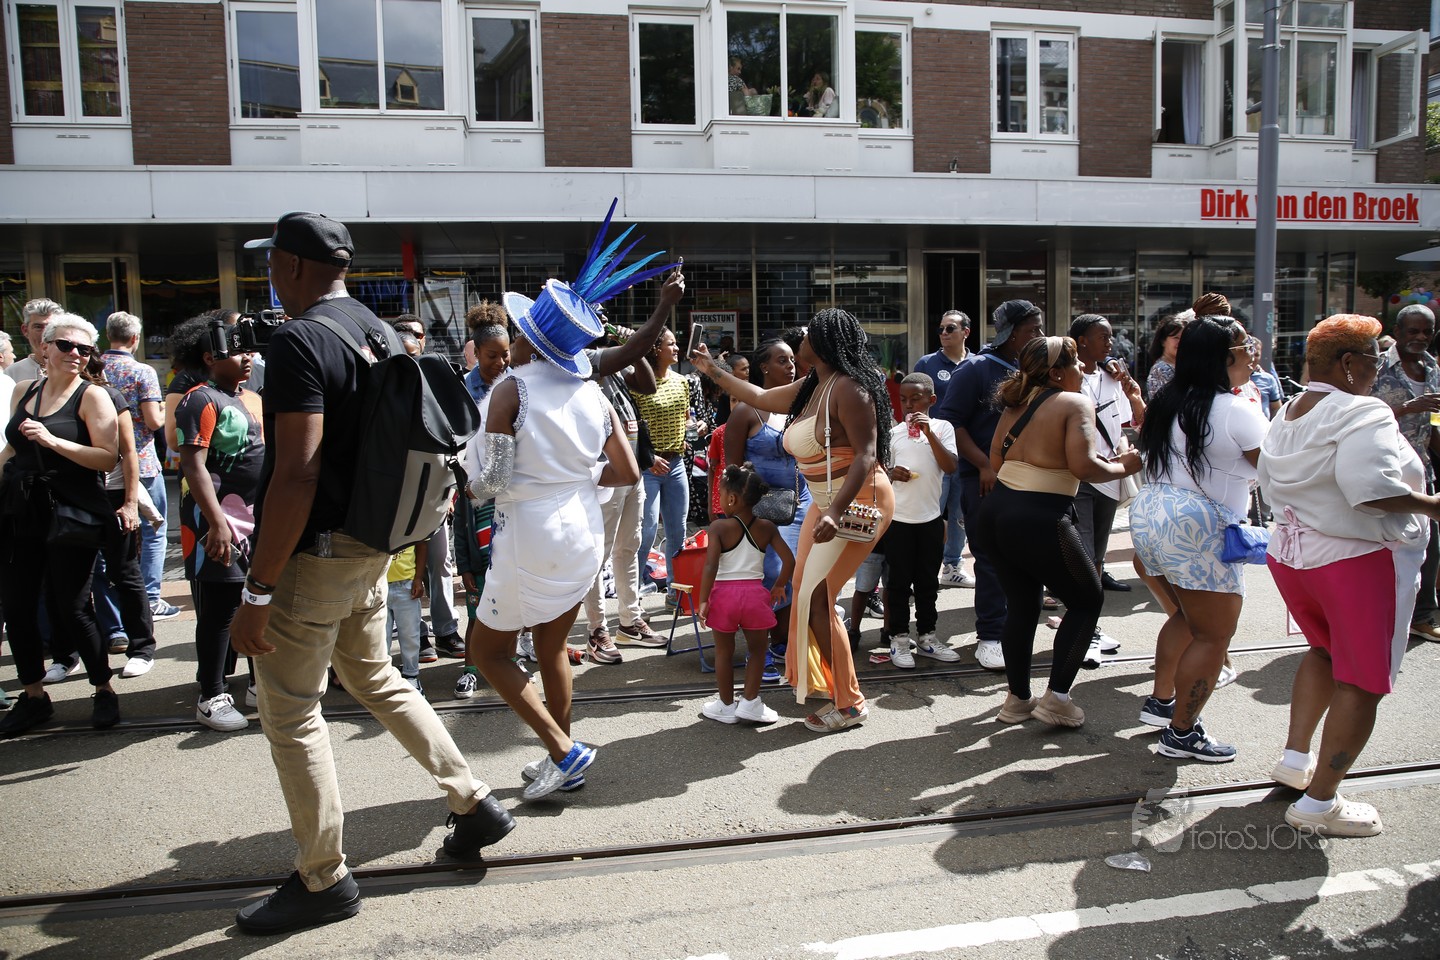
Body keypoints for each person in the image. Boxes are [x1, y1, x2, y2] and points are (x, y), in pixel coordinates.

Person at [230, 212, 513, 935]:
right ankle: (473, 800)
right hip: (373, 545)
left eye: (272, 262)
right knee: (376, 676)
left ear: (293, 266)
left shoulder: (299, 340)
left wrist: (257, 590)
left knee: (292, 712)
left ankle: (322, 878)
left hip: (316, 555)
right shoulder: (378, 330)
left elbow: (297, 472)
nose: (270, 274)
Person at [1259, 314, 1438, 837]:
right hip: (1355, 562)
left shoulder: (1291, 409)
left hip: (1296, 555)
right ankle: (1318, 804)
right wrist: (1432, 505)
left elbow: (1268, 482)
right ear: (1349, 363)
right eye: (1375, 359)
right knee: (1362, 682)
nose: (1379, 367)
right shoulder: (1364, 410)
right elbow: (1370, 490)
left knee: (1324, 652)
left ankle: (1296, 761)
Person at [466, 278, 640, 799]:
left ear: (529, 341)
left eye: (518, 335)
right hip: (582, 529)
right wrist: (576, 479)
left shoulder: (512, 389)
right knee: (552, 646)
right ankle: (562, 762)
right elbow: (627, 471)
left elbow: (493, 480)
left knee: (487, 652)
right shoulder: (593, 395)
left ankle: (563, 751)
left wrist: (464, 479)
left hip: (530, 534)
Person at [693, 308, 894, 733]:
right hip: (823, 502)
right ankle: (827, 682)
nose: (799, 339)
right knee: (804, 594)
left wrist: (834, 511)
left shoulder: (850, 388)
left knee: (818, 596)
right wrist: (712, 369)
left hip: (853, 502)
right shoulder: (813, 385)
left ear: (821, 343)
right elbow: (759, 396)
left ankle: (850, 703)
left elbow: (866, 455)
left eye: (807, 334)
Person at [971, 337, 1142, 728]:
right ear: (1056, 372)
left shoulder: (1015, 405)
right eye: (1076, 362)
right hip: (1039, 515)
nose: (1082, 369)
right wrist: (1126, 466)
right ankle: (1057, 699)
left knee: (1023, 606)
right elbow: (1084, 467)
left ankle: (1017, 700)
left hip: (997, 512)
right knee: (1087, 600)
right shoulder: (1074, 402)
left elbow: (997, 460)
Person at [1130, 315, 1269, 763]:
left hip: (1153, 517)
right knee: (1214, 635)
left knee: (1188, 618)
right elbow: (1278, 471)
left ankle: (1161, 702)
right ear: (1224, 357)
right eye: (1246, 348)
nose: (1254, 355)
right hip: (1198, 527)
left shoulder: (1169, 400)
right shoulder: (1235, 410)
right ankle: (1182, 733)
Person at [0, 315, 121, 735]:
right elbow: (13, 449)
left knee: (71, 606)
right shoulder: (24, 390)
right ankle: (34, 696)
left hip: (70, 511)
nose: (76, 355)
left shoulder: (92, 396)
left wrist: (53, 441)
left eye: (85, 349)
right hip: (21, 511)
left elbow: (107, 457)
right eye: (67, 345)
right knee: (17, 606)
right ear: (45, 347)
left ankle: (103, 688)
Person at [934, 299, 1045, 671]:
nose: (1039, 335)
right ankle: (991, 636)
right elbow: (952, 423)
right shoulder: (976, 369)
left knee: (1024, 558)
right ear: (1012, 334)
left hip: (1027, 479)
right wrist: (983, 465)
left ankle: (1015, 630)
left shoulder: (1031, 369)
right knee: (991, 558)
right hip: (983, 480)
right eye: (1032, 330)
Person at [170, 315, 264, 731]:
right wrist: (217, 523)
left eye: (250, 349)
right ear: (210, 357)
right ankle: (211, 695)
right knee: (220, 611)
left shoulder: (248, 397)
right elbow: (193, 463)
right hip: (217, 522)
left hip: (253, 520)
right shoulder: (200, 399)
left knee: (256, 603)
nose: (248, 357)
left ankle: (258, 684)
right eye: (239, 350)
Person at [724, 338, 809, 655]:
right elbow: (731, 472)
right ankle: (762, 645)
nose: (790, 367)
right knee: (772, 574)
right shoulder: (746, 411)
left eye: (792, 360)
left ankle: (783, 642)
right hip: (762, 508)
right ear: (764, 367)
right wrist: (735, 516)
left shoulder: (801, 408)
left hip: (803, 502)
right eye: (782, 361)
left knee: (799, 573)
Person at [1070, 314, 1146, 662]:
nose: (1110, 342)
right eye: (1103, 336)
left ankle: (1090, 626)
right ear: (1082, 341)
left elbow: (1129, 423)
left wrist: (1132, 392)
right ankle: (1082, 632)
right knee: (1084, 555)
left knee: (1097, 556)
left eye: (1111, 336)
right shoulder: (1069, 378)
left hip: (1111, 475)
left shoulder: (1113, 377)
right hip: (1081, 476)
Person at [696, 462, 794, 725]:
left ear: (731, 498)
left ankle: (726, 706)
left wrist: (703, 599)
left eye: (720, 494)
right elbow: (789, 560)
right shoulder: (767, 527)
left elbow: (710, 566)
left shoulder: (718, 528)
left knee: (724, 652)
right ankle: (750, 702)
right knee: (758, 651)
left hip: (724, 597)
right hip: (755, 597)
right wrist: (779, 585)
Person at [1368, 303, 1440, 644]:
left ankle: (1423, 615)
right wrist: (1406, 407)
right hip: (1381, 470)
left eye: (1427, 331)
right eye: (1413, 331)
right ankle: (1376, 617)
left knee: (1430, 546)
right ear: (1396, 333)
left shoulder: (1433, 368)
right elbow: (1359, 414)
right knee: (1382, 548)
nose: (1420, 337)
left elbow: (1434, 426)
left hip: (1422, 468)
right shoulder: (1376, 366)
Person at [394, 314, 464, 661]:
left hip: (434, 495)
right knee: (405, 571)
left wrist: (449, 492)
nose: (416, 347)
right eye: (407, 343)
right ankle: (417, 635)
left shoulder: (437, 386)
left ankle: (446, 631)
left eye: (419, 338)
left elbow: (452, 444)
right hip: (397, 499)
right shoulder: (387, 389)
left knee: (439, 563)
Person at [101, 312, 176, 623]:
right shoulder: (141, 371)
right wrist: (164, 407)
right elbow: (153, 421)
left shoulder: (94, 367)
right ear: (135, 339)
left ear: (108, 335)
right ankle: (151, 598)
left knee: (109, 537)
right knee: (154, 530)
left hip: (104, 462)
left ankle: (113, 605)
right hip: (142, 462)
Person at [881, 373, 961, 667]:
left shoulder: (942, 428)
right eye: (904, 399)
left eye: (915, 399)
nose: (909, 405)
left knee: (928, 584)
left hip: (930, 519)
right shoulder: (893, 433)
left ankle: (927, 637)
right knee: (899, 584)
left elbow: (950, 467)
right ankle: (899, 640)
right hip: (898, 521)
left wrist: (929, 434)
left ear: (931, 400)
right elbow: (879, 472)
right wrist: (891, 473)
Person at [631, 327, 692, 607]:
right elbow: (630, 427)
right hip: (648, 467)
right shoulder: (638, 384)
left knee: (678, 531)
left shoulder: (682, 382)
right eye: (671, 343)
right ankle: (632, 594)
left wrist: (693, 428)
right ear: (656, 349)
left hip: (676, 463)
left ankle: (674, 592)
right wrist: (649, 457)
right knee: (647, 531)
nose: (677, 348)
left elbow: (686, 418)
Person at [914, 309, 975, 588]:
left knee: (960, 514)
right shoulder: (927, 363)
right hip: (933, 452)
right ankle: (923, 568)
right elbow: (913, 403)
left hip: (966, 452)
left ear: (966, 332)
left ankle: (952, 566)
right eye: (941, 328)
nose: (943, 333)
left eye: (950, 328)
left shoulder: (976, 364)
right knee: (931, 512)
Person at [385, 538, 429, 693]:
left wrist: (418, 578)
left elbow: (422, 544)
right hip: (379, 583)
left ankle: (411, 675)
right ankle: (383, 677)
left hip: (407, 583)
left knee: (410, 635)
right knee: (380, 638)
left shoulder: (410, 523)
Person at [9, 298, 63, 384]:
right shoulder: (12, 374)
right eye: (38, 327)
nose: (45, 333)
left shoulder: (73, 367)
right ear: (25, 330)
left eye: (51, 327)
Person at [1145, 312, 1189, 399]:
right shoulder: (1161, 370)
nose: (1180, 342)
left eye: (1183, 338)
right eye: (1176, 338)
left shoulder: (1183, 365)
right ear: (1163, 341)